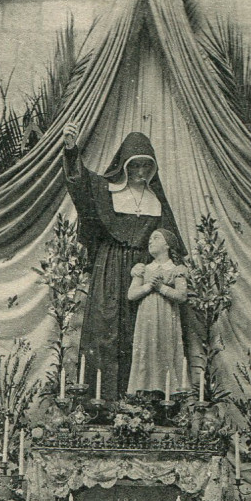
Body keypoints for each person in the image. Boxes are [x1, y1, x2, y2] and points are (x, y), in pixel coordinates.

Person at [62, 123, 185, 401]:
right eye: (135, 166)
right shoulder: (107, 191)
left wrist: (171, 271)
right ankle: (103, 403)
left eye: (145, 166)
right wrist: (71, 150)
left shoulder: (156, 201)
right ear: (124, 165)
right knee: (106, 331)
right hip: (109, 268)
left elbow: (170, 243)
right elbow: (80, 186)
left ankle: (141, 403)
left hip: (142, 273)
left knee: (142, 334)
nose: (140, 173)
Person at [127, 228, 188, 396]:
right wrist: (148, 286)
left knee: (165, 349)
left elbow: (182, 296)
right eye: (150, 238)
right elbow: (131, 295)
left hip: (166, 316)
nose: (150, 241)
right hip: (146, 318)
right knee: (145, 350)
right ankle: (143, 393)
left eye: (156, 238)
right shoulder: (143, 269)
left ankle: (166, 393)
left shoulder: (176, 269)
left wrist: (161, 288)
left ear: (167, 245)